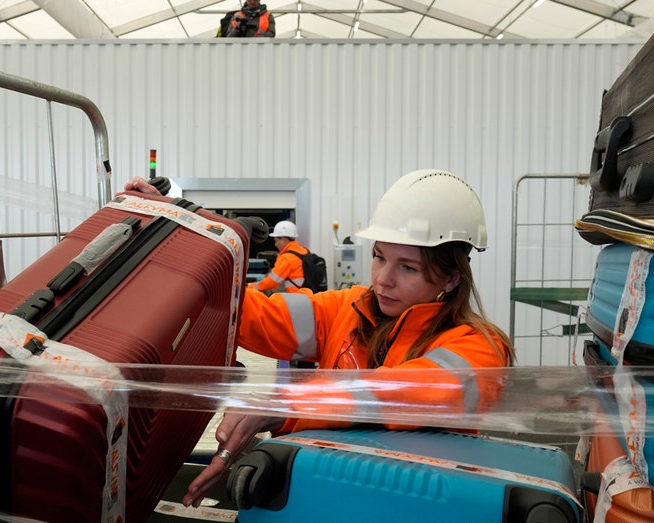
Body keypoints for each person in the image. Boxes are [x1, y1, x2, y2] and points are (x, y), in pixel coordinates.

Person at [120, 169, 514, 508]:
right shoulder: (347, 309)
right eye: (379, 257)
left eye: (407, 267)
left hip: (411, 505)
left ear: (451, 277)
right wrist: (178, 237)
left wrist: (284, 404)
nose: (382, 280)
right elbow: (246, 312)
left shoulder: (480, 347)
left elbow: (396, 393)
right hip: (326, 492)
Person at [252, 220, 309, 294]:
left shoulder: (287, 258)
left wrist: (252, 287)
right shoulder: (304, 251)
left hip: (297, 299)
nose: (275, 245)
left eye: (276, 241)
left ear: (283, 239)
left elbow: (272, 282)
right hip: (308, 297)